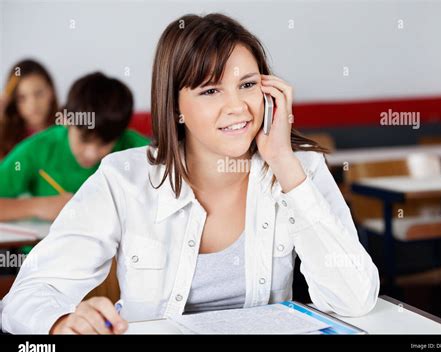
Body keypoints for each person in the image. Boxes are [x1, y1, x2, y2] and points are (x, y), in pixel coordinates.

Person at [2, 13, 379, 335]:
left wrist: (283, 162)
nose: (238, 107)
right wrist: (61, 322)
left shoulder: (300, 168)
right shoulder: (124, 178)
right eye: (211, 90)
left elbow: (355, 299)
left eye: (247, 85)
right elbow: (26, 296)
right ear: (176, 106)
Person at [0, 71, 149, 223]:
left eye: (104, 144)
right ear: (65, 119)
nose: (91, 154)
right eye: (84, 140)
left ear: (120, 133)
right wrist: (37, 206)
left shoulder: (137, 148)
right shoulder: (39, 148)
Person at [0, 59, 58, 158]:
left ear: (51, 91)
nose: (33, 105)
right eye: (21, 97)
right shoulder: (5, 138)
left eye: (39, 93)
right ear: (13, 102)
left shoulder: (67, 129)